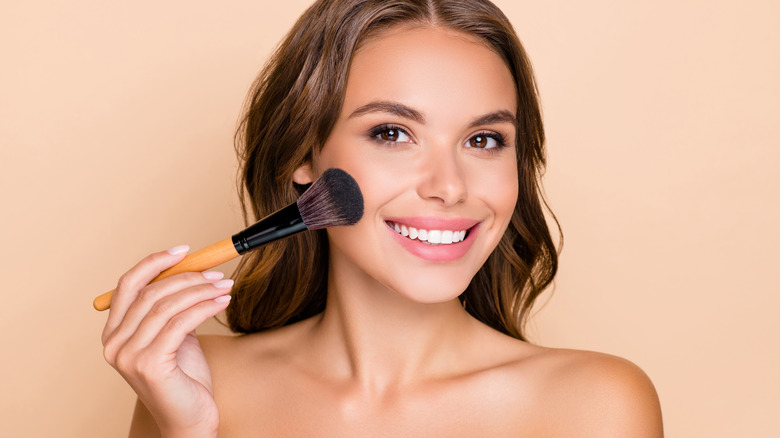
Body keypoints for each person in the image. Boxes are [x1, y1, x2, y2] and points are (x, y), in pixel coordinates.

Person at [101, 0, 663, 436]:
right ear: (305, 154)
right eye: (392, 133)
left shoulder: (596, 405)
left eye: (484, 139)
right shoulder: (197, 383)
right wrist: (188, 430)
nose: (449, 187)